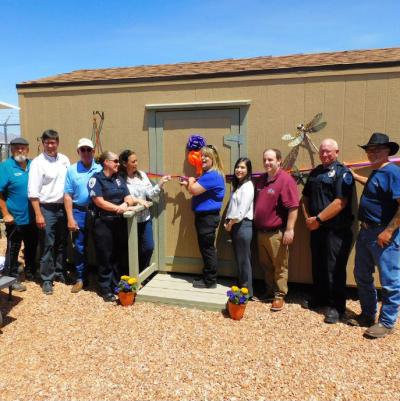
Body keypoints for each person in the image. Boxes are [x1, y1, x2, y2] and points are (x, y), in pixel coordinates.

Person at [348, 133, 400, 338]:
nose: (372, 153)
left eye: (377, 149)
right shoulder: (377, 173)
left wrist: (388, 231)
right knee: (362, 275)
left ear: (388, 151)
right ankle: (368, 314)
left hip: (383, 234)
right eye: (369, 150)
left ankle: (386, 323)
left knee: (390, 280)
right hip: (366, 232)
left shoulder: (393, 173)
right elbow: (374, 187)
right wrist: (355, 176)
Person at [301, 139, 354, 324]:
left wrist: (319, 219)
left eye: (328, 151)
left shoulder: (342, 172)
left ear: (337, 152)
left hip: (336, 231)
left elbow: (341, 202)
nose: (324, 154)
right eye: (322, 151)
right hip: (316, 229)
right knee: (318, 265)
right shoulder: (316, 172)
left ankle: (336, 307)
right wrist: (308, 219)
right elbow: (305, 197)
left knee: (334, 269)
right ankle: (320, 297)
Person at [254, 148, 299, 311]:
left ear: (279, 161)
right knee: (265, 265)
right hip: (261, 232)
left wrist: (290, 229)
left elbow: (293, 207)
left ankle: (279, 295)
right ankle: (269, 291)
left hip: (276, 233)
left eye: (270, 160)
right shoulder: (260, 180)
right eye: (265, 159)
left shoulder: (285, 180)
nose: (267, 162)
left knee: (280, 266)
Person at [88, 151, 136, 302]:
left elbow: (128, 197)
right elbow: (99, 202)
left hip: (118, 222)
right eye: (115, 161)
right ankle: (105, 288)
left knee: (118, 255)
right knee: (105, 256)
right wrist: (118, 208)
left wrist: (125, 204)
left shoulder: (119, 178)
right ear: (106, 163)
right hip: (103, 223)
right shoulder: (96, 179)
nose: (118, 164)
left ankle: (117, 284)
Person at [28, 130, 70, 295]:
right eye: (47, 143)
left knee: (62, 242)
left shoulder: (64, 160)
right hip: (46, 208)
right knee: (47, 244)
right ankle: (46, 278)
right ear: (43, 144)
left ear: (58, 142)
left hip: (63, 207)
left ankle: (60, 273)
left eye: (53, 142)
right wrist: (38, 214)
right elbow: (33, 192)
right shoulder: (38, 163)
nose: (51, 146)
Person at [180, 145, 225, 289]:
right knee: (206, 248)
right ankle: (208, 277)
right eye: (202, 156)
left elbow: (194, 190)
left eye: (207, 156)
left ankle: (210, 281)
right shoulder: (209, 175)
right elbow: (198, 189)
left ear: (214, 159)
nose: (203, 158)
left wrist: (191, 180)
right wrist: (190, 183)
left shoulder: (212, 175)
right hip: (205, 218)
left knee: (207, 249)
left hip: (207, 218)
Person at [118, 150, 171, 272]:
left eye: (136, 160)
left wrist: (161, 183)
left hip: (144, 218)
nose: (136, 163)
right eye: (133, 161)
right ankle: (129, 277)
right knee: (129, 250)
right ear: (125, 163)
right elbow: (120, 197)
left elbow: (150, 194)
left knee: (148, 247)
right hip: (128, 220)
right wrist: (137, 201)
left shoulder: (141, 175)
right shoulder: (119, 178)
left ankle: (141, 273)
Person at [64, 138, 102, 293]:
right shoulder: (72, 170)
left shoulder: (100, 169)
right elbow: (67, 195)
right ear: (78, 152)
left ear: (93, 151)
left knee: (101, 244)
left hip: (97, 211)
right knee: (79, 247)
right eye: (82, 150)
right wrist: (70, 218)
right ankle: (81, 278)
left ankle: (103, 278)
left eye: (89, 149)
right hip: (78, 211)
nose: (86, 152)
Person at [0, 137, 38, 291]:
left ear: (28, 149)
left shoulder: (33, 165)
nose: (20, 150)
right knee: (13, 248)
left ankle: (30, 272)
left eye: (23, 147)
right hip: (15, 219)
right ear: (11, 149)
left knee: (31, 246)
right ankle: (11, 277)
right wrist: (6, 214)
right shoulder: (6, 166)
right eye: (16, 148)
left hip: (33, 217)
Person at [224, 157, 254, 297]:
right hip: (236, 226)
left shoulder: (248, 186)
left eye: (243, 167)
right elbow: (233, 207)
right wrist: (227, 220)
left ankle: (246, 292)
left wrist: (230, 223)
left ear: (248, 171)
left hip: (242, 226)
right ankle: (242, 287)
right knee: (240, 259)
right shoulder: (239, 185)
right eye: (237, 167)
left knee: (244, 260)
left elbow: (241, 211)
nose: (239, 170)